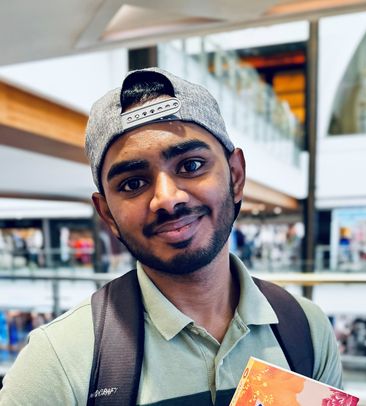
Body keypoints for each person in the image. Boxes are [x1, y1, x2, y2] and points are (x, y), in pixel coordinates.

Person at [0, 67, 342, 405]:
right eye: (133, 183)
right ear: (107, 214)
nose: (167, 198)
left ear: (236, 176)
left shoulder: (306, 330)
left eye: (191, 165)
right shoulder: (58, 360)